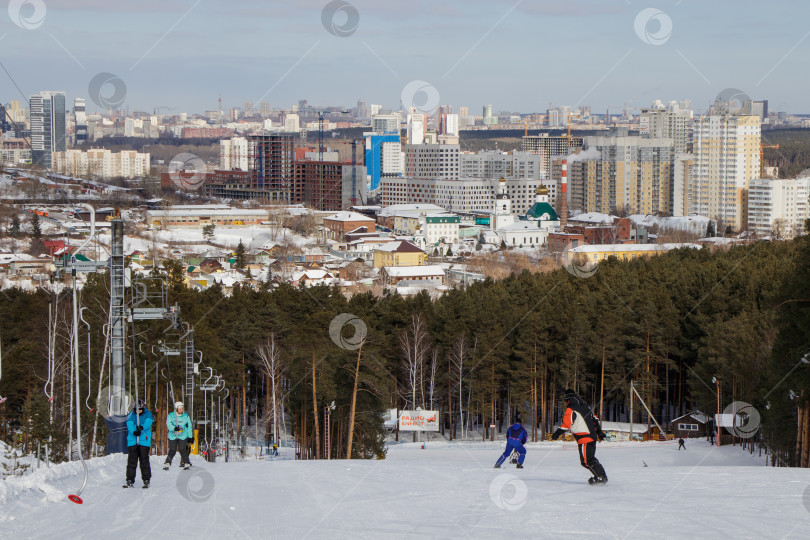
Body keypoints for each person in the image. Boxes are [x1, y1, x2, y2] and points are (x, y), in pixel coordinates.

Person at [552, 389, 608, 485]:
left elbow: (566, 424)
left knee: (586, 461)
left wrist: (556, 434)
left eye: (565, 401)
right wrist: (599, 433)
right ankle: (601, 476)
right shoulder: (585, 407)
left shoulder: (571, 409)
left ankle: (600, 477)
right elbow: (595, 419)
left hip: (584, 438)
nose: (565, 403)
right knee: (590, 459)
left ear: (568, 400)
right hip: (591, 437)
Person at [124, 399, 152, 488]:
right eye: (137, 410)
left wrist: (142, 427)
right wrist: (134, 431)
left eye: (140, 410)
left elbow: (148, 422)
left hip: (144, 440)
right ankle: (130, 479)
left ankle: (146, 478)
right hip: (133, 441)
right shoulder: (131, 415)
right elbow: (129, 424)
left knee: (144, 460)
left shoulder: (148, 414)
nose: (138, 412)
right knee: (132, 460)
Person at [164, 401, 192, 470]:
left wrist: (190, 436)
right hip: (173, 436)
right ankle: (167, 463)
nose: (181, 410)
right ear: (176, 409)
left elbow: (189, 426)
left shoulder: (185, 416)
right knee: (172, 449)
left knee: (182, 449)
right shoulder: (171, 415)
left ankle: (187, 463)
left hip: (182, 436)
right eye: (180, 409)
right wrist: (173, 428)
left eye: (182, 409)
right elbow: (168, 424)